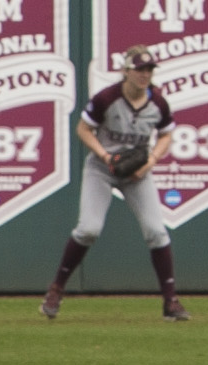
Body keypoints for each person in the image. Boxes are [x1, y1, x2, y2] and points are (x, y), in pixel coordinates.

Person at [39, 46, 189, 322]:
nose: (144, 74)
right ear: (126, 71)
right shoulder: (107, 98)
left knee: (156, 231)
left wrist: (152, 159)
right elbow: (83, 129)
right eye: (139, 69)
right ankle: (56, 290)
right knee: (88, 229)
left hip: (138, 173)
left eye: (149, 70)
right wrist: (106, 155)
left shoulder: (158, 102)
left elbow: (167, 134)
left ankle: (171, 302)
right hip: (102, 169)